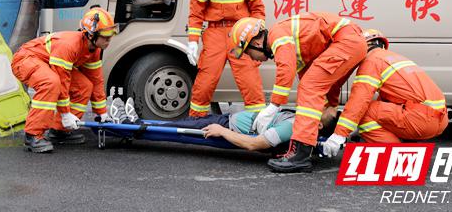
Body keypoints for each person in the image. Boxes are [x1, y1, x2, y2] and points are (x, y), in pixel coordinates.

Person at [230, 12, 367, 173]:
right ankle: (323, 132)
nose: (252, 59)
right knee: (311, 87)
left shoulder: (277, 34)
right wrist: (329, 110)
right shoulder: (294, 41)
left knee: (309, 87)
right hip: (350, 42)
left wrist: (273, 106)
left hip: (346, 42)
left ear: (257, 42)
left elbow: (286, 69)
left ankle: (300, 154)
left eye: (247, 52)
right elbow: (319, 84)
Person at [11, 7, 118, 153]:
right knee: (51, 83)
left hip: (47, 64)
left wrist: (102, 113)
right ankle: (33, 135)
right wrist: (65, 113)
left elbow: (96, 80)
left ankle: (59, 130)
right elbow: (62, 81)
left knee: (85, 86)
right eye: (105, 36)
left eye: (111, 35)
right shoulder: (69, 45)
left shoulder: (94, 49)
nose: (109, 40)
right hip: (25, 59)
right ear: (90, 34)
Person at [186, 0, 266, 117]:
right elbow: (196, 14)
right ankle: (195, 121)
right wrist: (192, 41)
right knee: (206, 81)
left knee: (250, 80)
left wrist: (257, 36)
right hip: (215, 35)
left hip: (241, 35)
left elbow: (258, 10)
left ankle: (259, 122)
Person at [328, 29, 448, 153]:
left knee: (363, 113)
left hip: (421, 120)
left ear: (365, 45)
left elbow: (358, 101)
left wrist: (339, 134)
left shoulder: (372, 61)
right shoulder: (393, 58)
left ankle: (394, 154)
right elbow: (387, 101)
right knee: (375, 107)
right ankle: (406, 147)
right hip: (440, 119)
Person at [107, 98, 339, 152]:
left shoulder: (294, 127)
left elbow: (254, 144)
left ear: (318, 126)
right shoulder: (302, 118)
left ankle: (125, 125)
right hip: (227, 122)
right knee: (179, 124)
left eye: (324, 110)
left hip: (226, 128)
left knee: (176, 130)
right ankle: (134, 121)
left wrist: (222, 131)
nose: (322, 105)